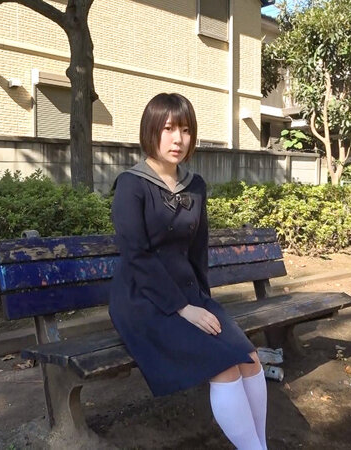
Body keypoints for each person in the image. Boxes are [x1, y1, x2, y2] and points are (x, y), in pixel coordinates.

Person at [109, 93, 268, 450]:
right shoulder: (131, 185)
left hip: (189, 295)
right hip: (143, 301)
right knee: (224, 367)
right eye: (168, 129)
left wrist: (204, 303)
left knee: (250, 359)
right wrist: (183, 308)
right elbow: (136, 256)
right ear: (151, 131)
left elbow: (197, 250)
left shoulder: (195, 186)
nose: (177, 139)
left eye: (185, 130)